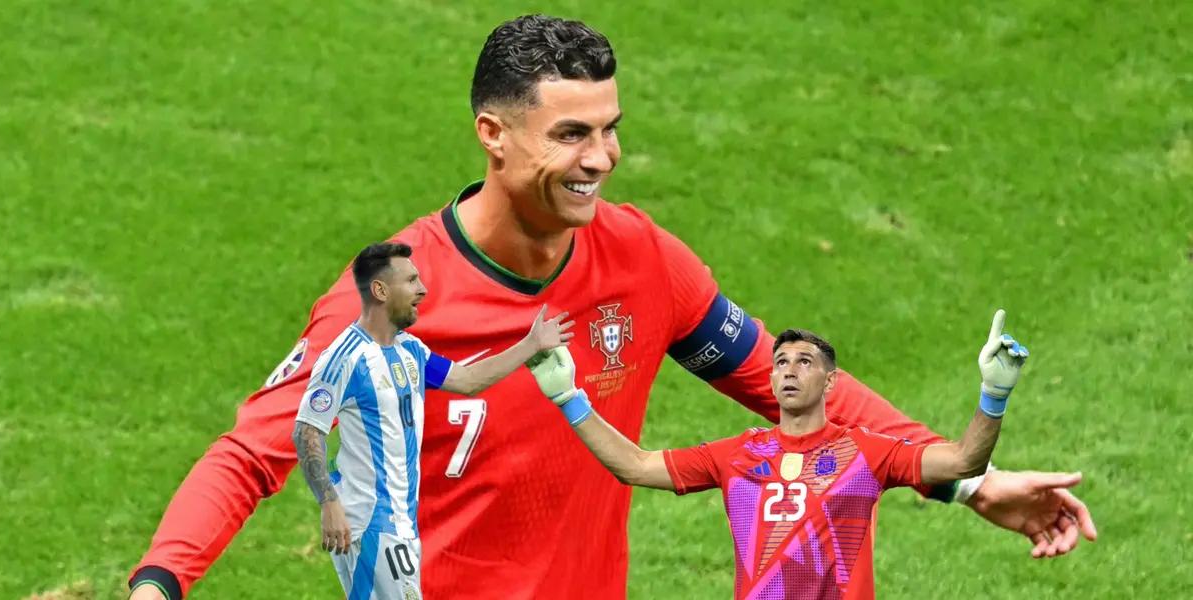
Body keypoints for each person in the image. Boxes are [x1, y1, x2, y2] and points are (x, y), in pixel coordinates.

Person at [128, 14, 1096, 600]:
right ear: (493, 136)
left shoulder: (639, 257)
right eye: (572, 134)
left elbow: (779, 385)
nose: (601, 158)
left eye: (611, 129)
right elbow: (251, 455)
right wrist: (160, 580)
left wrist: (965, 482)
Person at [526, 310, 1028, 599]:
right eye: (781, 361)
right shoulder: (739, 455)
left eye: (804, 362)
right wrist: (570, 398)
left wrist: (994, 395)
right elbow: (633, 466)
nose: (789, 370)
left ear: (830, 382)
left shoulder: (864, 452)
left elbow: (964, 463)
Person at [291, 241, 573, 599]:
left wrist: (531, 345)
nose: (422, 290)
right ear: (380, 290)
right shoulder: (346, 357)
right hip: (371, 522)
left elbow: (467, 380)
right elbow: (307, 431)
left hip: (400, 520)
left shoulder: (411, 350)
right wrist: (329, 504)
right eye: (410, 281)